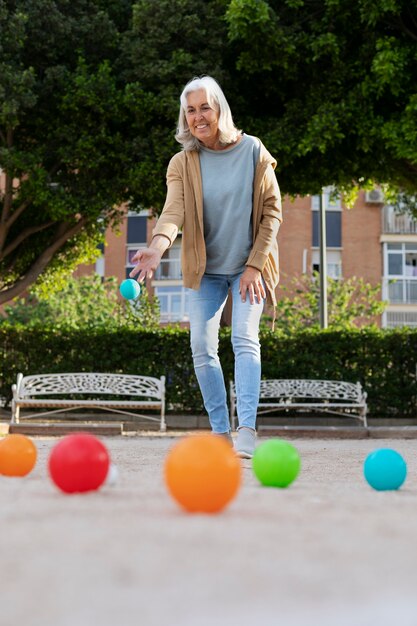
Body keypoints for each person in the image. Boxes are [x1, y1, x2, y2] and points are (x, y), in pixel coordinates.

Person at [130, 76, 282, 458]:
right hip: (207, 271)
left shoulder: (253, 150)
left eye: (205, 108)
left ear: (219, 110)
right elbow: (173, 212)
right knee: (201, 345)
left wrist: (254, 266)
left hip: (250, 267)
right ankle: (220, 433)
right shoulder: (183, 162)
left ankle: (246, 428)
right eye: (191, 110)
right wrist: (157, 247)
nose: (198, 117)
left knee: (244, 338)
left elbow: (272, 213)